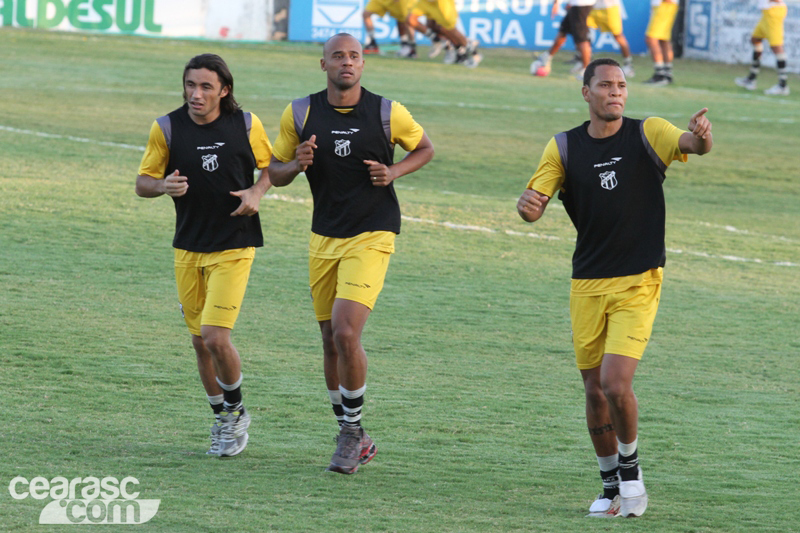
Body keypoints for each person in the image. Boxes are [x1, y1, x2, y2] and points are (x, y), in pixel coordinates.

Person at [517, 58, 712, 517]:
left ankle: (631, 474)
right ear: (586, 92)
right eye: (605, 85)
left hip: (639, 279)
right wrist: (528, 206)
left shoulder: (650, 133)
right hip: (587, 282)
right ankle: (608, 486)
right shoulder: (563, 147)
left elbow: (695, 146)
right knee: (592, 390)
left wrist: (702, 135)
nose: (616, 93)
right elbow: (534, 206)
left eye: (621, 85)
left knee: (615, 382)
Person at [268, 33, 435, 474]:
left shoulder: (386, 112)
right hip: (324, 236)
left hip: (373, 233)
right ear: (322, 64)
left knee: (345, 333)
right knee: (328, 341)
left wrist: (394, 171)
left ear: (364, 64)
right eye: (338, 56)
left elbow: (425, 148)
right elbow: (274, 171)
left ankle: (349, 432)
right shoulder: (301, 112)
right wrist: (296, 163)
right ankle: (354, 433)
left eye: (355, 56)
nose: (347, 62)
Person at [135, 53, 273, 457]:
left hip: (234, 245)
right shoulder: (167, 127)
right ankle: (224, 419)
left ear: (224, 90)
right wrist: (162, 187)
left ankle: (236, 412)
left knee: (215, 336)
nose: (196, 94)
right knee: (199, 343)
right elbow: (142, 182)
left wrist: (256, 192)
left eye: (206, 86)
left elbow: (274, 167)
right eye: (190, 85)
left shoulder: (246, 125)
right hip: (187, 247)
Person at [735, 0, 790, 96]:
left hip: (774, 12)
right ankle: (751, 79)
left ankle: (783, 85)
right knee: (755, 39)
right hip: (767, 13)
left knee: (776, 47)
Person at [530, 0, 596, 80]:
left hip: (581, 4)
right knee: (563, 31)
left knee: (581, 39)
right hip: (577, 4)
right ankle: (547, 56)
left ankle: (586, 71)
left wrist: (556, 3)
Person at [407, 0, 482, 67]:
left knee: (447, 29)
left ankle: (471, 50)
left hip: (442, 3)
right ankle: (438, 41)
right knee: (412, 20)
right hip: (426, 2)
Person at [586, 0, 634, 77]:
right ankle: (584, 64)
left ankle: (628, 64)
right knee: (585, 33)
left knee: (618, 36)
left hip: (610, 7)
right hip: (592, 7)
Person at [643, 0, 678, 85]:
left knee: (651, 38)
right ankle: (667, 74)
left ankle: (660, 74)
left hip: (665, 5)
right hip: (665, 5)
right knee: (664, 39)